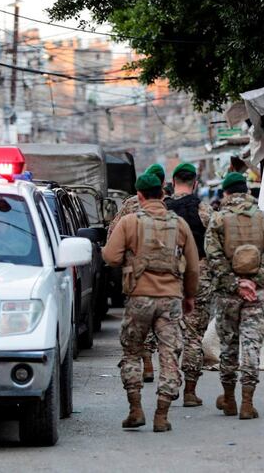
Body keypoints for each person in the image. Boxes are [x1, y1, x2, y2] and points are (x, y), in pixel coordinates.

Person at [102, 173, 199, 433]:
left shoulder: (129, 222)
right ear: (163, 194)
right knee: (169, 355)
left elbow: (110, 256)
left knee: (132, 351)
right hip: (170, 300)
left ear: (140, 196)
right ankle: (162, 414)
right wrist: (189, 296)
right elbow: (192, 267)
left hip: (139, 299)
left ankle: (135, 408)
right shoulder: (178, 224)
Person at [205, 172, 264, 420]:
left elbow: (214, 258)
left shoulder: (217, 221)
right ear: (246, 191)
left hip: (228, 295)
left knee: (228, 346)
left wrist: (235, 284)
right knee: (251, 347)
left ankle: (228, 399)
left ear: (226, 193)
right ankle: (247, 403)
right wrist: (254, 281)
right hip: (257, 295)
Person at [107, 163, 167, 383]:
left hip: (136, 275)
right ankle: (164, 372)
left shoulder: (129, 206)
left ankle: (145, 362)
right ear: (162, 184)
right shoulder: (170, 207)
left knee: (137, 324)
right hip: (166, 277)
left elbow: (112, 239)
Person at [163, 163, 213, 407]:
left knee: (168, 336)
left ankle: (169, 387)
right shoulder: (204, 211)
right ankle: (190, 392)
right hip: (198, 278)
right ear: (195, 183)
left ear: (173, 182)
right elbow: (214, 248)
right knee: (193, 337)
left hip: (166, 280)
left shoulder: (162, 211)